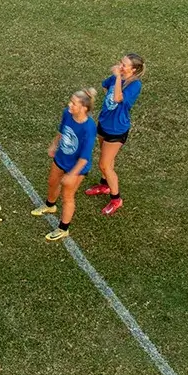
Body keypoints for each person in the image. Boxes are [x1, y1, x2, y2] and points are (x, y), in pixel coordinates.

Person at [31, 87, 99, 241]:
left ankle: (63, 229)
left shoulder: (89, 128)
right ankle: (50, 205)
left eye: (74, 103)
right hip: (61, 158)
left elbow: (84, 158)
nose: (70, 105)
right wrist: (54, 144)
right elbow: (62, 131)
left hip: (77, 167)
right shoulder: (67, 114)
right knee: (52, 183)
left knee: (67, 196)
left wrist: (71, 175)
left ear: (84, 108)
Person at [85, 54, 145, 216]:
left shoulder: (134, 85)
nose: (120, 66)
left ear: (133, 69)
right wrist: (117, 77)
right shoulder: (115, 77)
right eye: (121, 63)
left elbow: (118, 98)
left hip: (117, 129)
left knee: (104, 164)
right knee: (107, 161)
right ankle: (104, 185)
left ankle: (116, 199)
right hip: (104, 124)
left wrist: (118, 77)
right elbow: (106, 87)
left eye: (124, 64)